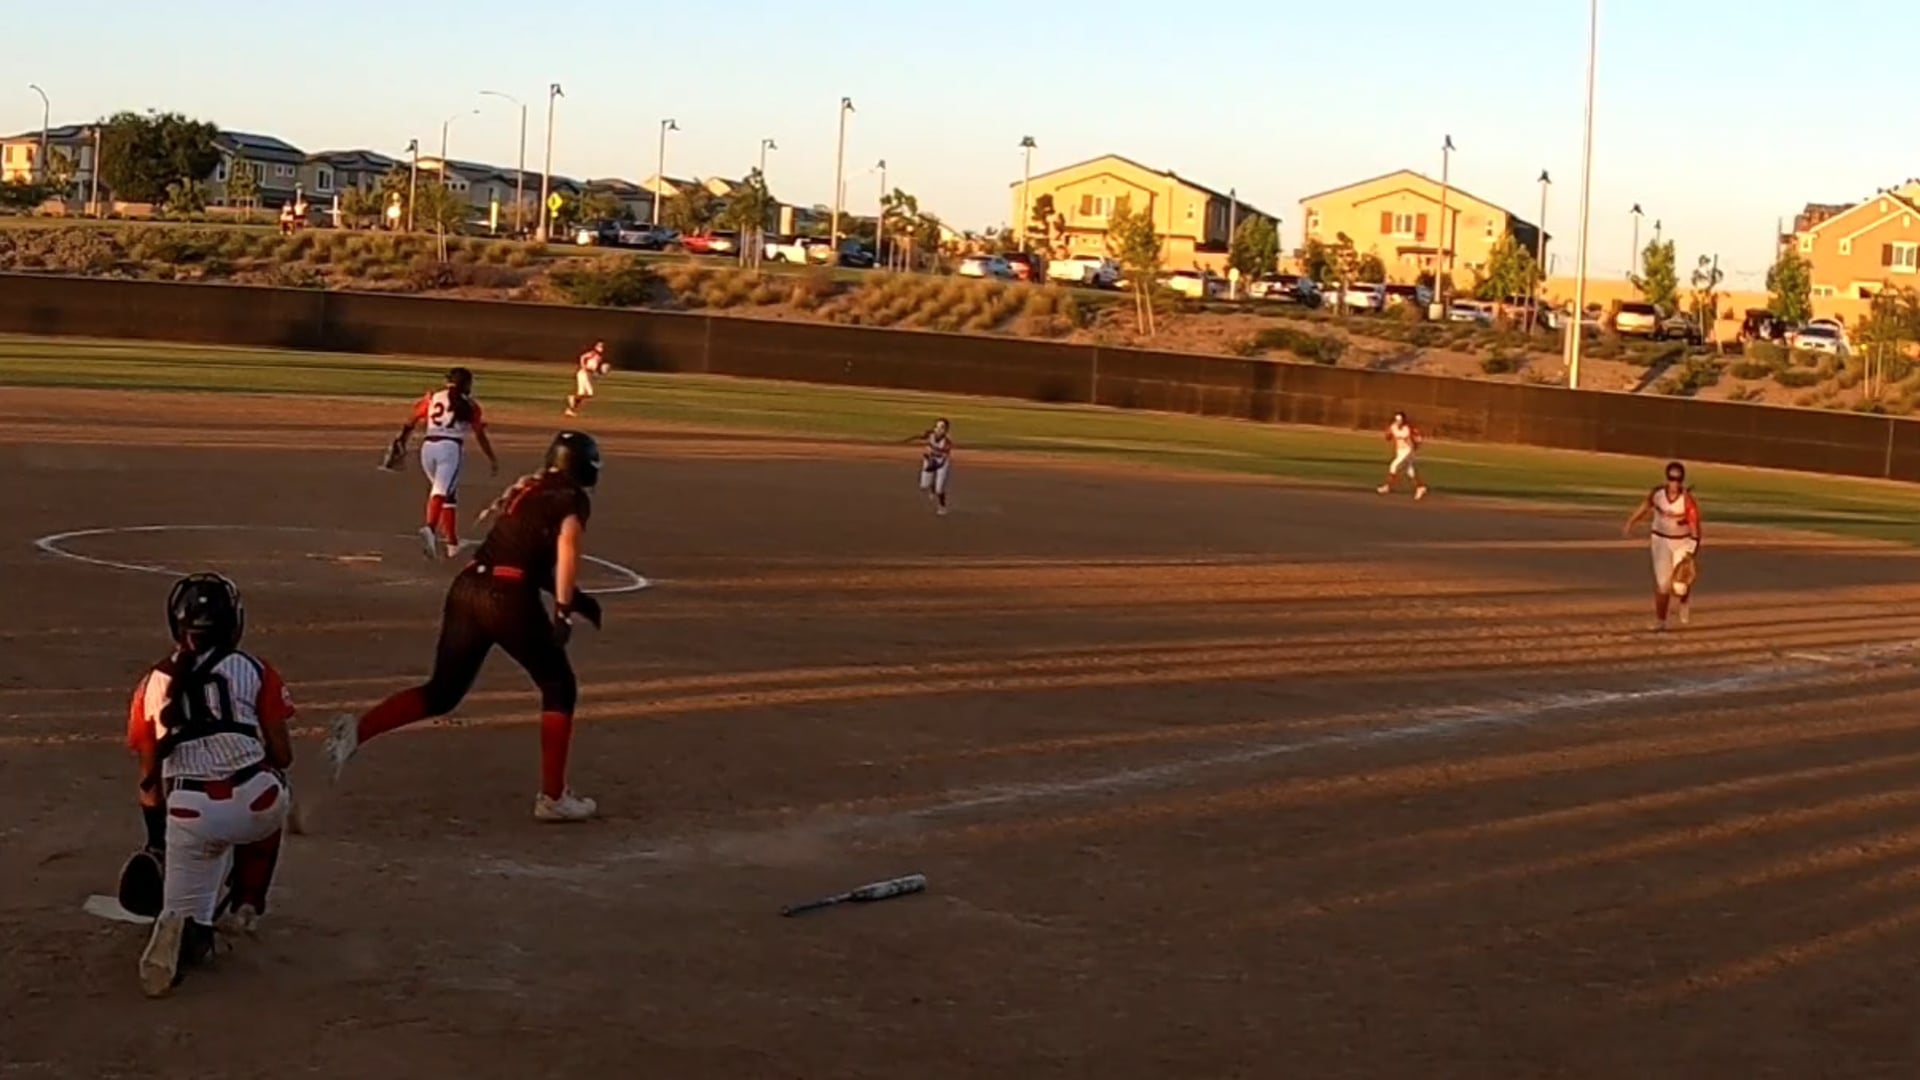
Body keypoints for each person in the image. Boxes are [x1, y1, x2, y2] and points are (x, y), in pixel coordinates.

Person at [326, 431, 606, 822]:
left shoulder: (530, 489)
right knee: (559, 685)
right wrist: (562, 610)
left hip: (469, 587)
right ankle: (553, 797)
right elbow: (567, 548)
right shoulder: (570, 498)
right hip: (506, 598)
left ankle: (357, 732)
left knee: (442, 692)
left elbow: (525, 557)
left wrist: (575, 599)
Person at [125, 573, 295, 997]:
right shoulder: (255, 669)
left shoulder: (151, 684)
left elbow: (148, 782)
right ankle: (247, 904)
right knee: (273, 786)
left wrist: (157, 842)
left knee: (189, 896)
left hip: (189, 811)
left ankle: (182, 928)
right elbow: (282, 754)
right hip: (255, 800)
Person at [389, 367, 499, 560]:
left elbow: (412, 420)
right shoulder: (470, 405)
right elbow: (479, 434)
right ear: (467, 384)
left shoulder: (433, 398)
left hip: (427, 449)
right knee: (440, 491)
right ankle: (430, 528)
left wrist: (401, 441)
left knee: (448, 494)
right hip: (449, 450)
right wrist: (491, 457)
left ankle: (452, 543)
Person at [1623, 460, 1703, 632]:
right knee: (1663, 584)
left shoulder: (1687, 501)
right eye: (1671, 478)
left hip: (1682, 542)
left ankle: (1683, 600)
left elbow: (1695, 528)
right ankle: (1661, 621)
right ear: (1667, 478)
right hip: (1660, 540)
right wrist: (1631, 522)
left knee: (1680, 586)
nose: (1674, 483)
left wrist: (1692, 551)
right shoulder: (1657, 494)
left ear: (1682, 481)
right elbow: (1645, 506)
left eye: (1678, 479)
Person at [908, 418, 954, 516]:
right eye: (937, 427)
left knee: (939, 489)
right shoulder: (930, 434)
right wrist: (910, 439)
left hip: (941, 463)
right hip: (929, 459)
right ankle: (932, 486)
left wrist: (934, 467)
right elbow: (921, 437)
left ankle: (942, 506)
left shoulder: (947, 442)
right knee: (924, 486)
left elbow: (943, 460)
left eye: (942, 427)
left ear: (946, 430)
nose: (938, 429)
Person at [1377, 411, 1428, 499]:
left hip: (1408, 450)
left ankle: (1387, 486)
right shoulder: (1393, 427)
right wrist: (1388, 434)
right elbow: (1388, 437)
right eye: (1396, 420)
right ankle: (1420, 487)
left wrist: (1416, 443)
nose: (1398, 422)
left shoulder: (1408, 428)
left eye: (1400, 420)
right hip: (1400, 451)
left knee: (1394, 465)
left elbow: (1417, 437)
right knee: (1409, 470)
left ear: (1403, 420)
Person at [566, 341, 608, 418]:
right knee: (590, 393)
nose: (601, 348)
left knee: (581, 393)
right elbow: (582, 357)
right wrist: (583, 366)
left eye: (602, 346)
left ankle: (570, 410)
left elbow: (594, 369)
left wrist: (598, 373)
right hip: (583, 373)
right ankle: (573, 398)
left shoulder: (599, 357)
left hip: (587, 374)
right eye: (599, 346)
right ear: (596, 347)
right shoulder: (593, 353)